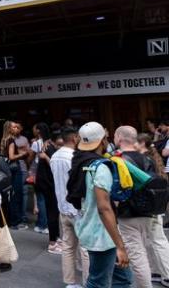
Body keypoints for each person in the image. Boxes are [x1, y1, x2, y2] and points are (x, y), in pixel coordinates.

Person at [71, 122, 132, 287]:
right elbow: (104, 208)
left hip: (92, 229)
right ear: (103, 140)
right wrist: (120, 246)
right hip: (103, 235)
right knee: (98, 282)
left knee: (123, 279)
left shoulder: (80, 162)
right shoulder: (100, 167)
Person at [114, 126, 159, 288]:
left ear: (119, 138)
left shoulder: (118, 160)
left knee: (137, 256)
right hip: (148, 211)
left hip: (128, 213)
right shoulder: (147, 159)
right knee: (143, 251)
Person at [50, 127, 89, 288]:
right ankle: (88, 281)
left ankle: (70, 282)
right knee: (86, 247)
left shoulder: (54, 156)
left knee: (68, 246)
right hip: (77, 208)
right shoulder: (74, 157)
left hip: (62, 206)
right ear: (74, 138)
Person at [136, 134, 169, 287]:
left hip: (150, 206)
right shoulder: (152, 158)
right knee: (153, 240)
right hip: (155, 205)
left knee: (157, 240)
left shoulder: (143, 159)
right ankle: (158, 272)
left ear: (142, 143)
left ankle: (166, 274)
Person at [32, 123, 61, 254]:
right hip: (48, 183)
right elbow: (53, 165)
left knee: (53, 211)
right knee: (52, 211)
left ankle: (55, 238)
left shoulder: (46, 146)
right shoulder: (49, 148)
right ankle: (53, 242)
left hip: (46, 182)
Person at [0, 121, 28, 230]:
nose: (16, 128)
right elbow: (11, 157)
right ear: (9, 129)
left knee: (10, 195)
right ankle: (15, 222)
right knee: (16, 195)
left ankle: (10, 220)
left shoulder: (4, 139)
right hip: (15, 169)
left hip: (7, 169)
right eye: (14, 127)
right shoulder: (11, 140)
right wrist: (22, 154)